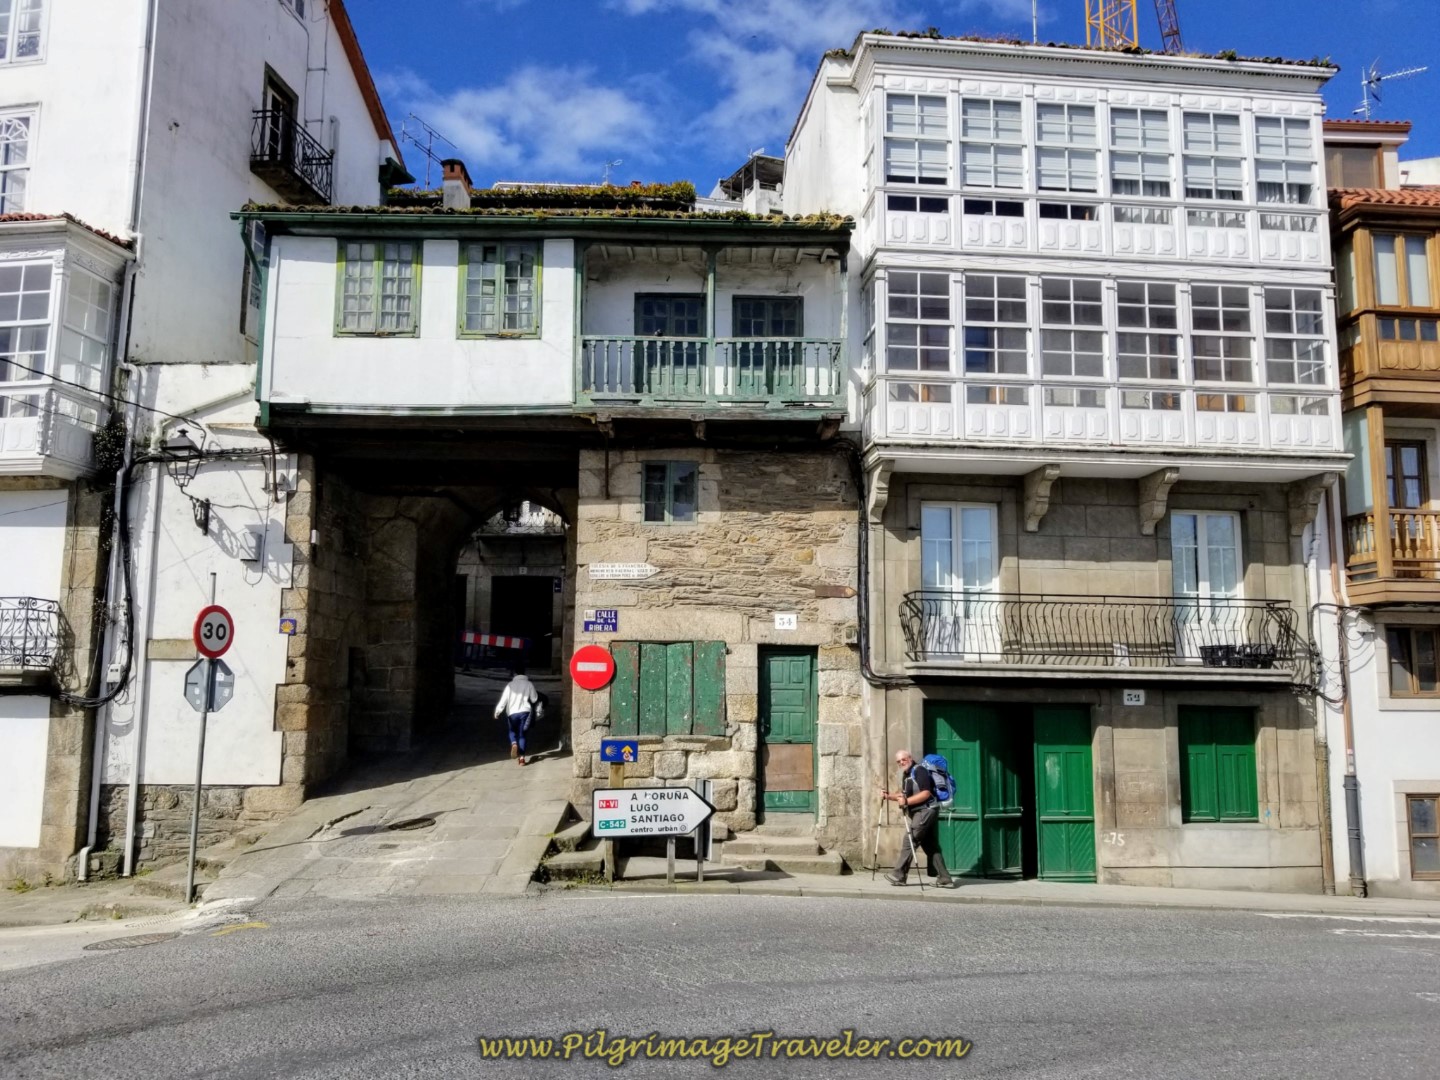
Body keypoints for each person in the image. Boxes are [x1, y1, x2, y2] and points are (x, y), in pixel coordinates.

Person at [882, 749, 954, 888]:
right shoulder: (907, 775)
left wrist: (907, 802)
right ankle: (945, 878)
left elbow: (926, 793)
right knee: (930, 846)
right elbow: (903, 795)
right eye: (898, 761)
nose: (901, 762)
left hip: (925, 810)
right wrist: (888, 796)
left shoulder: (919, 770)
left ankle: (899, 875)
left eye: (903, 759)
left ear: (910, 758)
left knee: (910, 840)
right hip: (921, 812)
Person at [494, 665, 539, 766]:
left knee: (512, 731)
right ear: (524, 673)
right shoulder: (529, 684)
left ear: (515, 673)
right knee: (523, 735)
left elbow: (504, 699)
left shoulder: (510, 685)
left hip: (512, 713)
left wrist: (497, 711)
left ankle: (514, 743)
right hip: (525, 712)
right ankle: (522, 758)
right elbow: (534, 699)